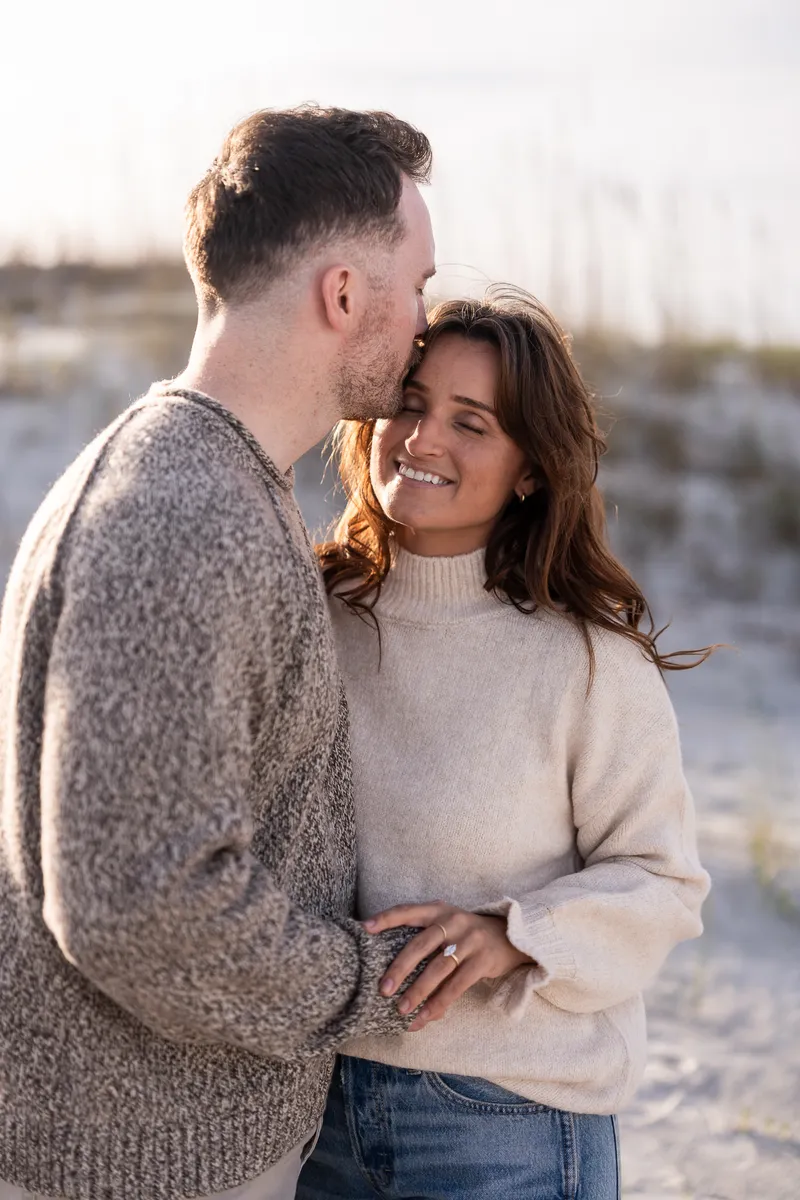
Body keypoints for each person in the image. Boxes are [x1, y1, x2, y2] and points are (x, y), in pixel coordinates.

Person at [0, 106, 437, 1200]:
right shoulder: (183, 517)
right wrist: (364, 985)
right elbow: (137, 904)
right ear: (343, 295)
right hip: (141, 1163)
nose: (424, 321)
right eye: (417, 285)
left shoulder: (220, 483)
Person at [299, 287, 712, 1200]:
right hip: (311, 1112)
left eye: (471, 422)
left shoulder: (584, 659)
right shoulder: (308, 614)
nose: (422, 438)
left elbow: (663, 881)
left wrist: (515, 935)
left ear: (529, 468)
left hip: (506, 1120)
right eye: (410, 402)